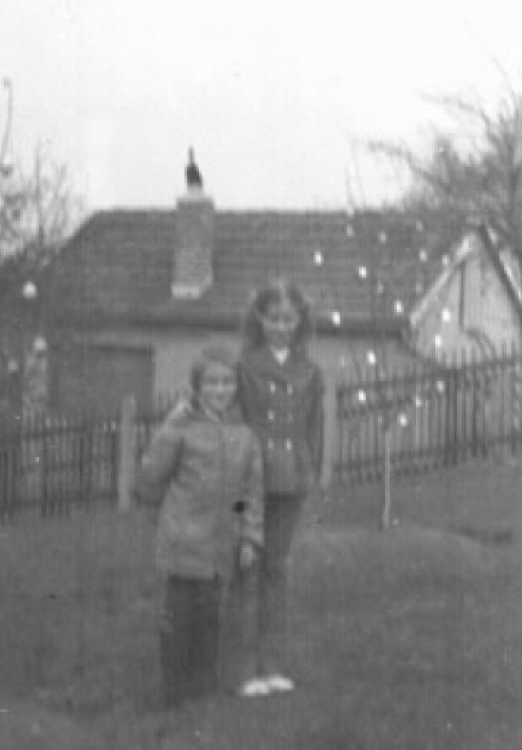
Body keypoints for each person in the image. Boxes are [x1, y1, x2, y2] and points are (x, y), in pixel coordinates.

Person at [133, 344, 264, 708]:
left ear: (236, 387)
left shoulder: (244, 435)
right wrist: (170, 427)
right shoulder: (182, 428)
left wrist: (249, 534)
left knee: (210, 622)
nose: (220, 391)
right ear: (198, 387)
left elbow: (248, 492)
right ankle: (173, 694)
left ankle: (202, 693)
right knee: (178, 621)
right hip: (182, 543)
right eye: (212, 383)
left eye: (227, 383)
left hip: (220, 547)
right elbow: (149, 475)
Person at [236, 277, 325, 697]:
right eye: (273, 318)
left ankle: (272, 665)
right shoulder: (246, 365)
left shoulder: (309, 370)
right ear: (260, 318)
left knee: (277, 568)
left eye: (289, 319)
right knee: (246, 564)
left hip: (291, 480)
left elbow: (314, 427)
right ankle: (242, 668)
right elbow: (237, 424)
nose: (281, 326)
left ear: (299, 321)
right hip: (250, 480)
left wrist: (310, 471)